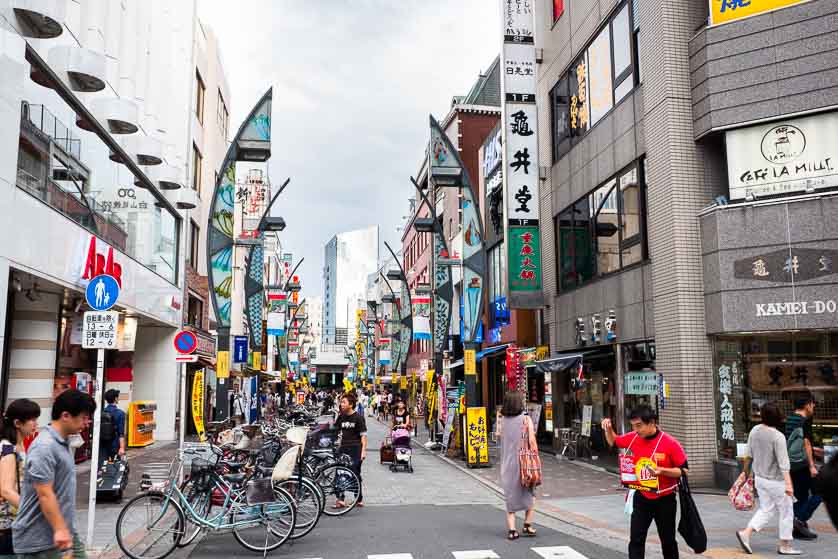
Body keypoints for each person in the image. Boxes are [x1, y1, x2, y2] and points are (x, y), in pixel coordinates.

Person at [13, 389, 96, 558]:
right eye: (84, 417)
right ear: (65, 415)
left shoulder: (62, 442)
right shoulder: (45, 446)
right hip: (40, 541)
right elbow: (44, 493)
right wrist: (59, 529)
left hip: (64, 535)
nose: (88, 422)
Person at [601, 406, 688, 559]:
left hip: (665, 498)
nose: (636, 430)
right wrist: (608, 429)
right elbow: (614, 441)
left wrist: (662, 471)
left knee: (668, 541)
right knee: (636, 539)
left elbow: (684, 470)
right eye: (633, 426)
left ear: (652, 423)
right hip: (642, 496)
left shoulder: (670, 443)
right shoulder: (634, 437)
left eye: (639, 425)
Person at [736, 402, 800, 556]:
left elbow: (748, 456)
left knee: (766, 509)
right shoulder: (778, 437)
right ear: (777, 417)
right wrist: (789, 484)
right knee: (786, 511)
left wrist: (744, 474)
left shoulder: (755, 430)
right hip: (776, 481)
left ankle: (746, 533)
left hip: (760, 479)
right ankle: (785, 545)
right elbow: (784, 464)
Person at [0, 399, 41, 556]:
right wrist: (34, 511)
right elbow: (6, 490)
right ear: (17, 423)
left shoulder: (19, 447)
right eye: (32, 419)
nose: (35, 424)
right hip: (7, 527)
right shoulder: (8, 450)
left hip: (17, 524)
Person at [497, 391, 537, 540]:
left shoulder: (502, 419)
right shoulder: (526, 419)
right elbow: (532, 441)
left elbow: (499, 435)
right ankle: (527, 524)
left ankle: (512, 530)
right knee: (530, 493)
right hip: (524, 463)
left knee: (510, 496)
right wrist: (535, 456)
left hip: (507, 464)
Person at [785, 393, 821, 540]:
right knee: (819, 492)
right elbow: (805, 442)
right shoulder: (805, 420)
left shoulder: (790, 419)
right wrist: (812, 465)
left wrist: (814, 450)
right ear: (807, 405)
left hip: (791, 464)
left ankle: (797, 529)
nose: (814, 407)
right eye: (813, 404)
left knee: (800, 496)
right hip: (803, 464)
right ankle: (799, 520)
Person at [334, 392, 367, 509]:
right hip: (343, 448)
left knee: (355, 473)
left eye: (344, 402)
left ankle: (358, 498)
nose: (341, 404)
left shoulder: (358, 417)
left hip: (356, 449)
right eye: (341, 402)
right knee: (340, 473)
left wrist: (363, 451)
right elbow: (335, 430)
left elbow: (363, 436)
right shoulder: (341, 416)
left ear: (351, 404)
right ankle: (340, 499)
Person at [100, 389, 126, 464]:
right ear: (115, 399)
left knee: (103, 465)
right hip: (114, 444)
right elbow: (121, 433)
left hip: (102, 444)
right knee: (114, 466)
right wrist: (121, 448)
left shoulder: (102, 412)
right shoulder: (120, 413)